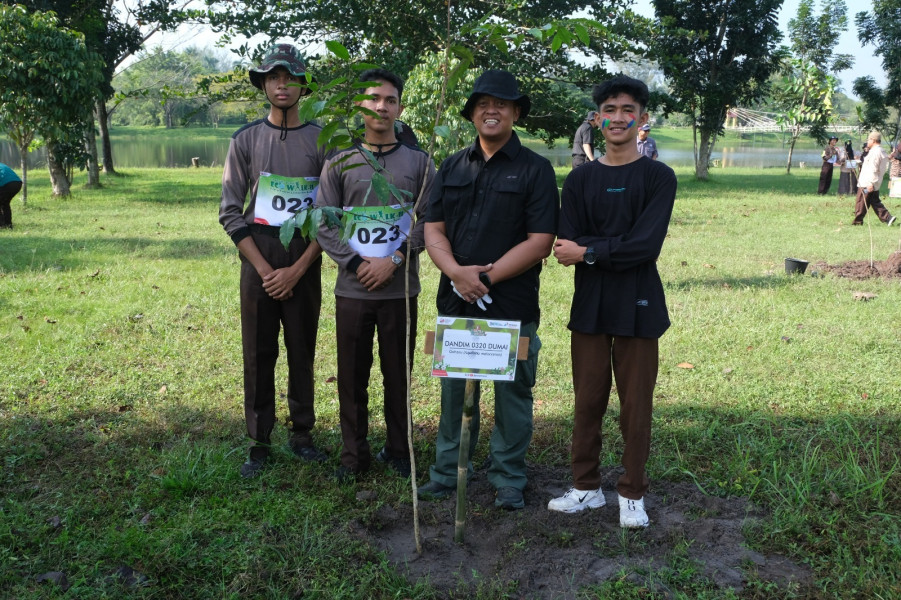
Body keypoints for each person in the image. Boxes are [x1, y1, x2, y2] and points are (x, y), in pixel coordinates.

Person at [419, 69, 559, 510]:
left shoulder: (536, 169)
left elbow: (541, 241)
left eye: (501, 104)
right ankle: (447, 471)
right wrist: (456, 273)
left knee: (513, 394)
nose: (491, 110)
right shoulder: (451, 166)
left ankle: (508, 477)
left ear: (516, 112)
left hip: (512, 304)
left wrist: (484, 278)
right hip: (455, 300)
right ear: (471, 114)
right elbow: (433, 228)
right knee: (454, 393)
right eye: (482, 104)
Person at [549, 75, 677, 528]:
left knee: (635, 405)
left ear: (642, 118)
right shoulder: (580, 178)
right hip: (590, 305)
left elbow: (645, 246)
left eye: (628, 110)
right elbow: (565, 244)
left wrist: (589, 252)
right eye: (610, 110)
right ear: (597, 118)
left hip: (639, 305)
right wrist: (595, 250)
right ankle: (585, 487)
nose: (618, 118)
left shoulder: (658, 177)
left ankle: (632, 492)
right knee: (587, 400)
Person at [316, 69, 435, 482]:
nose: (381, 107)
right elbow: (324, 221)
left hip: (400, 290)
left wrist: (397, 259)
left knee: (398, 374)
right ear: (360, 105)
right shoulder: (340, 161)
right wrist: (356, 264)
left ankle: (399, 450)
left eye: (389, 100)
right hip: (352, 289)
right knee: (352, 375)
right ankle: (354, 455)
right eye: (373, 99)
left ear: (400, 108)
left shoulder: (419, 162)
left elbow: (431, 220)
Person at [218, 44, 330, 478]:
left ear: (303, 85)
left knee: (302, 348)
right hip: (258, 256)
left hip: (304, 254)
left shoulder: (323, 140)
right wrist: (266, 271)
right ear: (263, 85)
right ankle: (258, 441)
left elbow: (330, 214)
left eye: (290, 78)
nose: (282, 85)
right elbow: (230, 212)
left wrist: (297, 270)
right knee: (258, 351)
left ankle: (302, 435)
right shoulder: (245, 139)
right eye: (273, 78)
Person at [852, 131, 894, 226]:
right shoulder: (880, 151)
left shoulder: (875, 152)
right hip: (875, 182)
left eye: (868, 140)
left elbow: (873, 169)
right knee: (874, 201)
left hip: (868, 183)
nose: (867, 142)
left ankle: (857, 222)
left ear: (873, 140)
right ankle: (888, 218)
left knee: (861, 202)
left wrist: (870, 183)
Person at [0, 162, 22, 229]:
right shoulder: (1, 165)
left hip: (7, 184)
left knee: (3, 203)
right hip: (17, 183)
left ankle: (2, 225)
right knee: (5, 203)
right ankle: (8, 225)